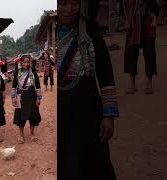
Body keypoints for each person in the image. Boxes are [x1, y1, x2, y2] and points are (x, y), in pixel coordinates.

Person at [57, 0, 119, 179]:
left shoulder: (92, 36)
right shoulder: (46, 37)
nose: (68, 9)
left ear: (83, 6)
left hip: (88, 114)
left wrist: (108, 116)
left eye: (74, 3)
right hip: (62, 116)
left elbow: (106, 77)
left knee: (93, 164)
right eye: (62, 3)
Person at [122, 0, 159, 94]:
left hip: (147, 25)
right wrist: (126, 21)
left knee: (149, 55)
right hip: (133, 26)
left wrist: (154, 20)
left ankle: (149, 84)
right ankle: (132, 85)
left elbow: (155, 7)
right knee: (131, 55)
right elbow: (124, 9)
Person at [11, 54, 42, 144]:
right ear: (21, 63)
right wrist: (13, 98)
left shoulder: (33, 72)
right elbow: (14, 86)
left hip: (32, 96)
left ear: (30, 63)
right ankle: (21, 135)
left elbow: (38, 86)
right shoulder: (17, 72)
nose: (26, 64)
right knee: (20, 117)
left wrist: (39, 98)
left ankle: (32, 133)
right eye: (24, 62)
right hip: (21, 96)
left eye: (28, 62)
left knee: (33, 116)